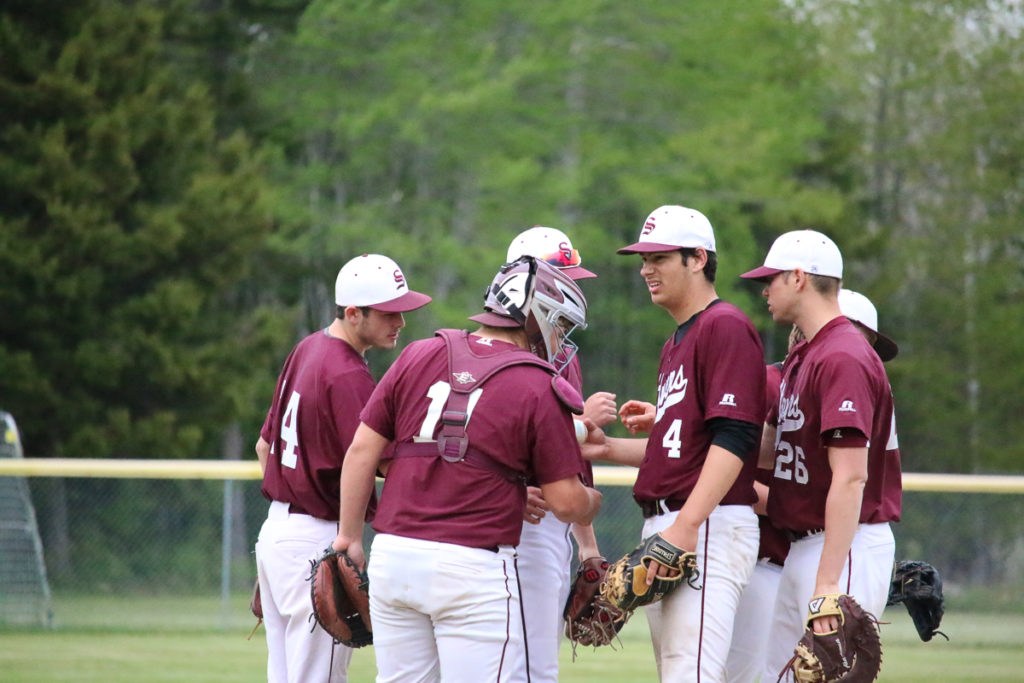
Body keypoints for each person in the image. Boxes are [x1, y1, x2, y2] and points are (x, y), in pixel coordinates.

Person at [332, 256, 602, 683]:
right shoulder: (538, 382)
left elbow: (363, 450)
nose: (559, 337)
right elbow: (567, 502)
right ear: (535, 315)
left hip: (394, 557)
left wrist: (348, 536)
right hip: (472, 566)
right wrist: (591, 503)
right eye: (558, 323)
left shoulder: (420, 352)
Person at [583, 205, 766, 681]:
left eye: (660, 257)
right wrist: (607, 449)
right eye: (643, 259)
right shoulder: (678, 340)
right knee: (678, 671)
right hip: (676, 524)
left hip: (705, 525)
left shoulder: (723, 325)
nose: (646, 269)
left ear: (698, 258)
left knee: (692, 671)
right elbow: (681, 449)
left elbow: (736, 437)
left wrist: (686, 526)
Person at [254, 253, 431, 683]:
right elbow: (380, 459)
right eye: (390, 313)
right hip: (317, 537)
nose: (401, 323)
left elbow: (264, 446)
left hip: (277, 534)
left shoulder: (308, 349)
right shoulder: (346, 373)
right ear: (353, 314)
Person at [739, 231, 902, 681]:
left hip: (841, 545)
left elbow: (850, 478)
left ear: (798, 277)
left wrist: (829, 583)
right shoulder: (805, 357)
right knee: (781, 674)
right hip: (806, 544)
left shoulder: (843, 355)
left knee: (823, 674)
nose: (765, 288)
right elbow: (769, 453)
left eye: (771, 278)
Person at [504, 227, 617, 683]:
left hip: (548, 516)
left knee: (534, 663)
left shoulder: (562, 352)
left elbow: (567, 460)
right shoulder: (498, 349)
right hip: (507, 520)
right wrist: (580, 421)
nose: (572, 291)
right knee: (513, 661)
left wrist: (587, 547)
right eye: (561, 278)